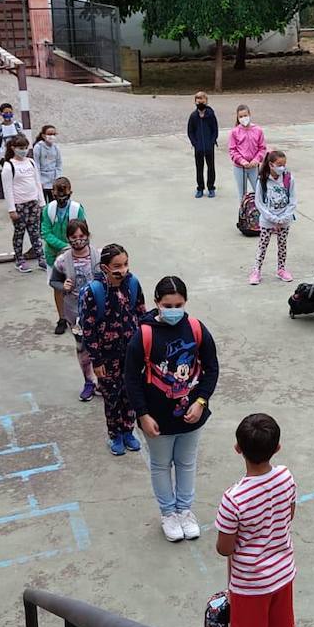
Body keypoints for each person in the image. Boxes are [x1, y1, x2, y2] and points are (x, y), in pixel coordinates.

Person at [216, 414, 298, 627]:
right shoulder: (287, 478)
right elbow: (289, 515)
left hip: (251, 583)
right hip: (283, 572)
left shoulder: (234, 498)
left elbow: (225, 547)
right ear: (277, 448)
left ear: (238, 449)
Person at [125, 277, 221, 542]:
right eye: (168, 305)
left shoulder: (196, 328)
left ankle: (185, 510)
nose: (173, 310)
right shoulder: (144, 334)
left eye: (179, 304)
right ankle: (168, 513)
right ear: (157, 303)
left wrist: (201, 402)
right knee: (160, 464)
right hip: (157, 416)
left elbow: (211, 368)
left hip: (191, 415)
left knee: (187, 462)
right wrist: (142, 414)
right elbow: (130, 378)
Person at [79, 244, 146, 456]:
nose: (123, 269)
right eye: (117, 265)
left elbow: (141, 314)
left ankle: (128, 431)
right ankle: (114, 434)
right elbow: (88, 329)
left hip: (132, 354)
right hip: (107, 358)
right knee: (112, 397)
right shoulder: (94, 291)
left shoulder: (132, 284)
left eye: (126, 264)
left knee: (130, 394)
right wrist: (96, 361)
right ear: (105, 267)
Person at [51, 219, 100, 400]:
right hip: (76, 312)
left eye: (82, 236)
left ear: (88, 235)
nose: (78, 240)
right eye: (74, 237)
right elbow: (53, 281)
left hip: (99, 309)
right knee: (82, 347)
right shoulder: (62, 260)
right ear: (68, 238)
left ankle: (103, 382)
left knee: (102, 346)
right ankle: (88, 381)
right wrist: (63, 286)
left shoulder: (99, 256)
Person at [40, 177, 87, 321]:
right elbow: (45, 233)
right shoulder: (48, 210)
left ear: (70, 193)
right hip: (54, 256)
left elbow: (83, 231)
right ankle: (62, 318)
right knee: (58, 287)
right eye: (58, 196)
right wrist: (65, 246)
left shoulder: (77, 209)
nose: (61, 199)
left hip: (75, 255)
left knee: (78, 287)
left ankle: (80, 317)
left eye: (64, 196)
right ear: (53, 194)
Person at [250, 150, 296, 286]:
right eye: (279, 164)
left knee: (282, 245)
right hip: (267, 220)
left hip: (284, 220)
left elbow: (293, 200)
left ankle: (281, 269)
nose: (282, 167)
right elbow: (259, 202)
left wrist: (284, 217)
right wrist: (272, 218)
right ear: (271, 164)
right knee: (263, 245)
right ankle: (256, 270)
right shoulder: (263, 180)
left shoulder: (289, 179)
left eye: (284, 164)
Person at [2, 134, 44, 274]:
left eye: (26, 148)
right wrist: (11, 209)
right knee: (19, 233)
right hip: (20, 205)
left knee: (35, 233)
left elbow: (37, 182)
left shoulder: (31, 162)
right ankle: (19, 259)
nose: (24, 150)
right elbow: (7, 190)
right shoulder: (9, 166)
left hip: (33, 203)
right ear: (13, 148)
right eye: (21, 148)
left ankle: (41, 258)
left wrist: (41, 202)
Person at [228, 105, 267, 202]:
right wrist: (241, 161)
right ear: (237, 118)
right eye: (240, 117)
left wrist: (256, 160)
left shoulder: (258, 130)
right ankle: (243, 214)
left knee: (259, 191)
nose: (243, 118)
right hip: (240, 168)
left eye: (245, 115)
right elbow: (232, 150)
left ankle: (261, 213)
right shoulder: (234, 132)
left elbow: (262, 148)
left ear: (249, 115)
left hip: (254, 167)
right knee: (242, 194)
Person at [188, 92, 219, 199]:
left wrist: (212, 141)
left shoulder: (211, 115)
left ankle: (211, 188)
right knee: (199, 168)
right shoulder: (193, 116)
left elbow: (215, 129)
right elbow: (190, 131)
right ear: (195, 101)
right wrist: (194, 143)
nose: (200, 102)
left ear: (206, 101)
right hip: (198, 148)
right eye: (198, 100)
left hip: (209, 147)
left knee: (211, 168)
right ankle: (200, 188)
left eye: (202, 99)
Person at [0, 103, 21, 194]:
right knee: (8, 174)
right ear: (1, 114)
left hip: (18, 155)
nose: (8, 114)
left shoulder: (18, 126)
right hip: (5, 156)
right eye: (5, 112)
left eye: (10, 112)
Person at [32, 125, 63, 203]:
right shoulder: (38, 147)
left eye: (54, 134)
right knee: (43, 202)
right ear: (43, 135)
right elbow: (36, 165)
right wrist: (39, 181)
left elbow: (59, 164)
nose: (51, 136)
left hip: (53, 179)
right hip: (42, 178)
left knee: (54, 202)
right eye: (49, 134)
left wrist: (58, 178)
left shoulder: (56, 147)